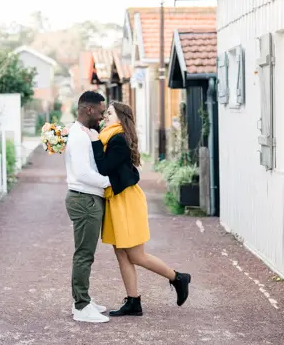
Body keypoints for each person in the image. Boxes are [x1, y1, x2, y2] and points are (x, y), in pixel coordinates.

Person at [84, 101, 191, 317]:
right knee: (121, 252)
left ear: (121, 117)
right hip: (116, 199)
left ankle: (178, 278)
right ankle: (133, 301)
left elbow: (104, 166)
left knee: (135, 254)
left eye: (110, 113)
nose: (106, 116)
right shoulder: (111, 135)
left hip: (127, 201)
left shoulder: (119, 138)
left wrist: (95, 141)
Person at [64, 91, 111, 323]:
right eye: (101, 112)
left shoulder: (84, 132)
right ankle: (81, 306)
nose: (102, 117)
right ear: (89, 109)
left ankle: (83, 299)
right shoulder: (80, 136)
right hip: (85, 200)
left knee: (86, 254)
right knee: (84, 254)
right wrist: (108, 183)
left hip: (86, 198)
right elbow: (82, 172)